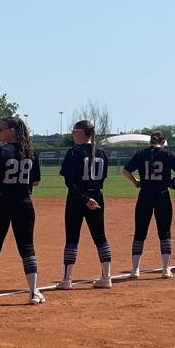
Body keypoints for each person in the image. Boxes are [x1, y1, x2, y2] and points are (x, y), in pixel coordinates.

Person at [0, 116, 41, 304]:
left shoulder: (0, 152)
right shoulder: (31, 153)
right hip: (24, 203)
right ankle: (34, 291)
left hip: (2, 203)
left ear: (12, 130)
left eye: (0, 129)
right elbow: (35, 181)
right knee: (27, 248)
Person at [121, 131, 175, 278]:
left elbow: (126, 170)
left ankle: (135, 269)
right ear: (163, 141)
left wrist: (136, 182)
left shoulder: (141, 153)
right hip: (162, 195)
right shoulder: (168, 154)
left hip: (145, 194)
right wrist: (174, 182)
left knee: (140, 232)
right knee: (164, 232)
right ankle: (166, 269)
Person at [58, 119, 114, 288]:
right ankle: (107, 277)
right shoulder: (102, 153)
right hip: (97, 198)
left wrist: (84, 199)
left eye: (75, 131)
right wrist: (91, 198)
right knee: (100, 237)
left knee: (72, 238)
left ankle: (67, 279)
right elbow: (102, 178)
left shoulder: (74, 152)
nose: (73, 134)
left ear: (82, 133)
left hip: (77, 199)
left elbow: (70, 182)